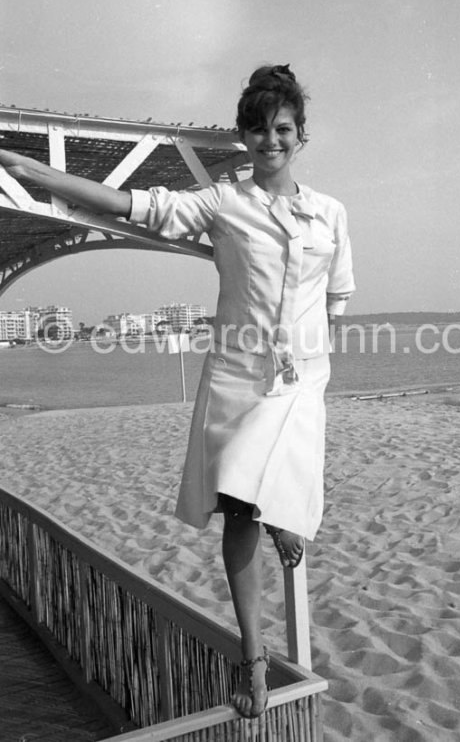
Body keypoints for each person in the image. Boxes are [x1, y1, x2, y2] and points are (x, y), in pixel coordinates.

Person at [0, 64, 355, 719]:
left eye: (282, 128)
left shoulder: (330, 213)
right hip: (239, 379)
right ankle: (253, 657)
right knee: (240, 504)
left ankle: (280, 516)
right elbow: (145, 208)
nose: (270, 140)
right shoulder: (225, 202)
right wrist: (47, 178)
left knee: (258, 491)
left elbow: (338, 293)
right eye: (258, 128)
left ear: (301, 136)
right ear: (245, 135)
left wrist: (321, 348)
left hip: (301, 381)